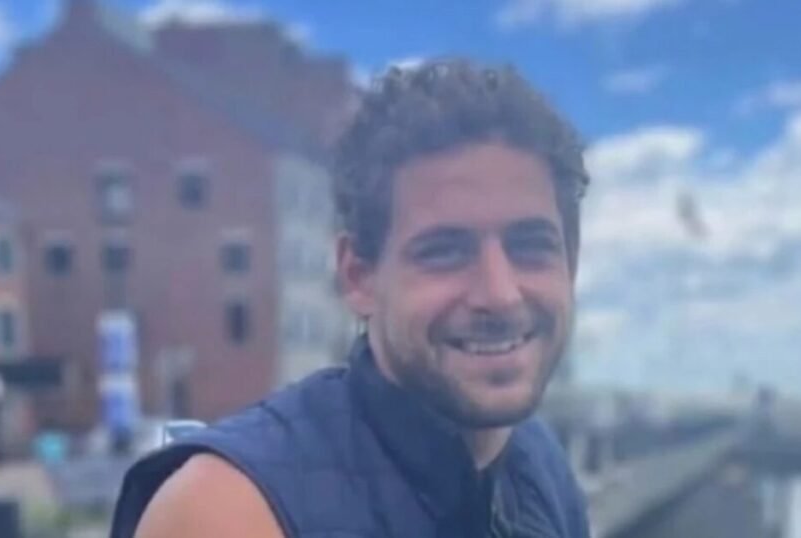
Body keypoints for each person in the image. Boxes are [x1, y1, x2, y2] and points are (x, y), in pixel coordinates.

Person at [111, 57, 591, 537]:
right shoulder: (228, 511)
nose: (501, 295)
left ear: (570, 263)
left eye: (531, 246)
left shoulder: (537, 463)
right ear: (359, 277)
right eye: (445, 252)